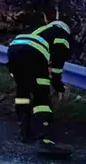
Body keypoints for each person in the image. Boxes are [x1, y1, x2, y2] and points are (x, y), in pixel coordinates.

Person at [7, 18, 72, 155]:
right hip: (33, 54)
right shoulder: (62, 35)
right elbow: (58, 60)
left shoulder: (42, 30)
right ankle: (44, 135)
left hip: (14, 49)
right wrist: (57, 82)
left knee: (22, 91)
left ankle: (25, 130)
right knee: (41, 96)